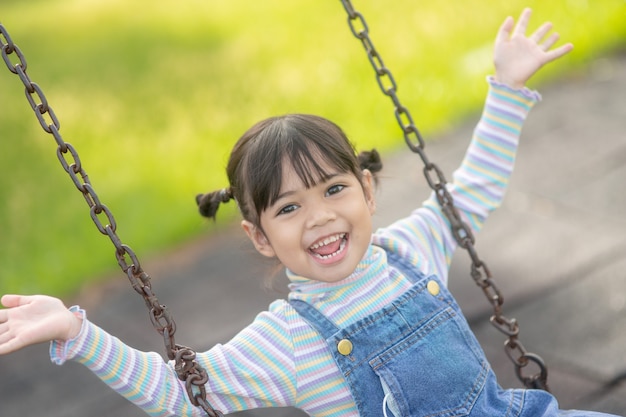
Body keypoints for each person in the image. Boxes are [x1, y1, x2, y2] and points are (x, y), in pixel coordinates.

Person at [0, 8, 617, 417]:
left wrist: (507, 89)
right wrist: (76, 331)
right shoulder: (285, 342)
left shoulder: (412, 246)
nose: (319, 217)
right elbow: (178, 392)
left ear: (368, 192)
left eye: (333, 190)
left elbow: (475, 188)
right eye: (289, 207)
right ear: (260, 237)